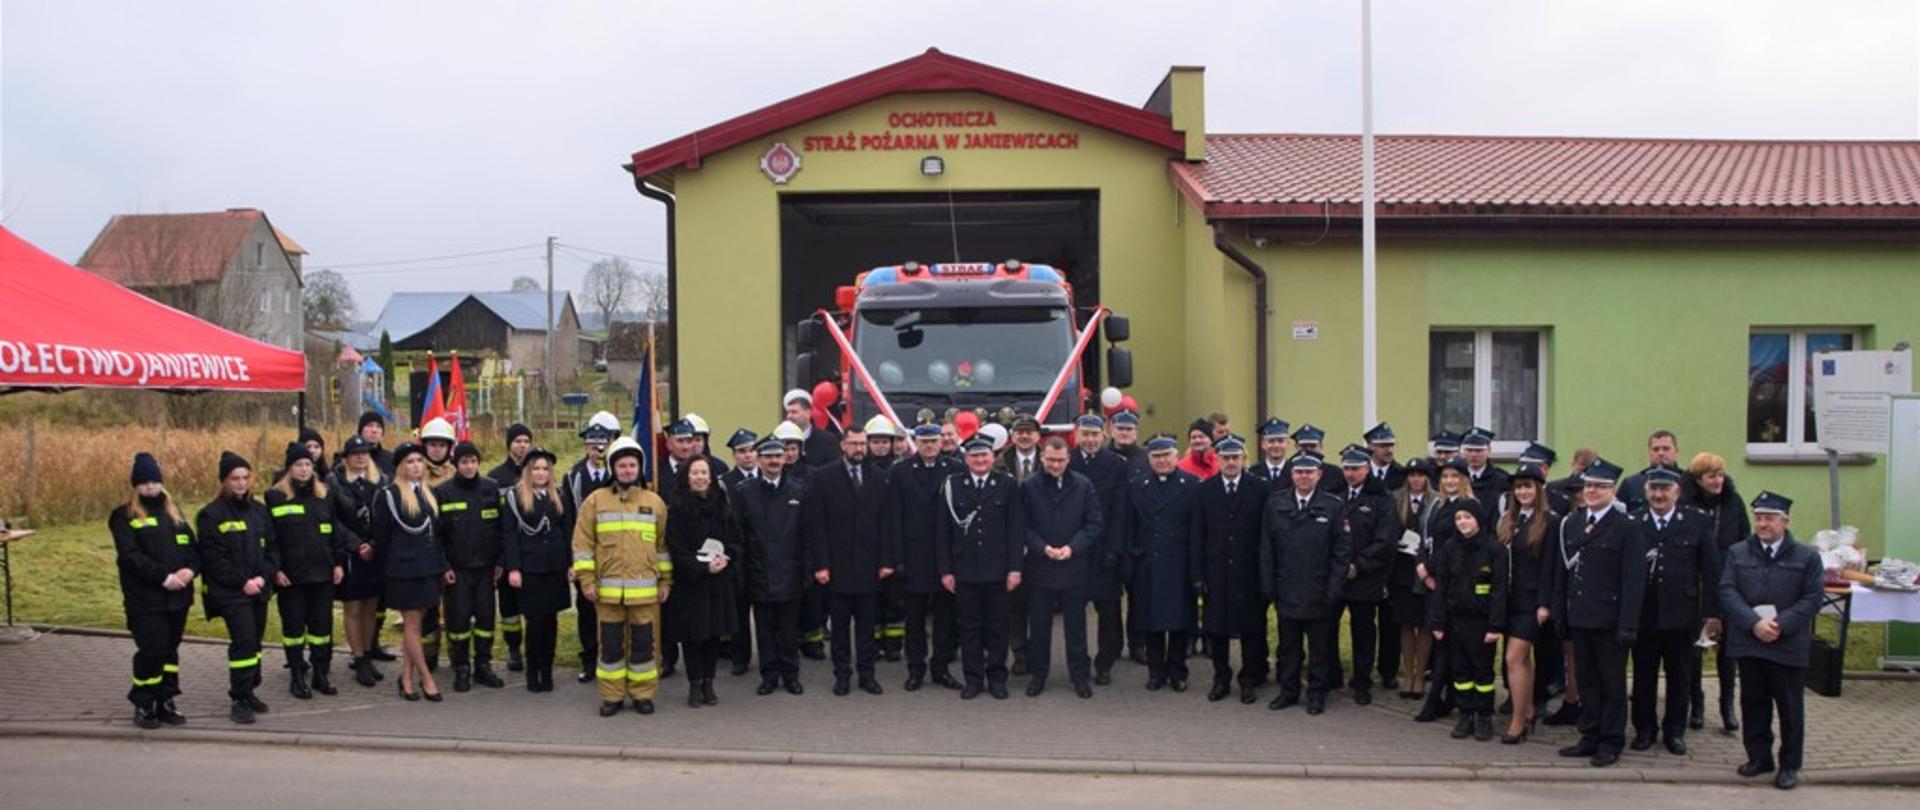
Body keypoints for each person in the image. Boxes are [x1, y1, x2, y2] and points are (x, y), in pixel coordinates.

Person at [1720, 491, 1823, 791]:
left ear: (1785, 522)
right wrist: (1754, 623)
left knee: (1790, 708)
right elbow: (1727, 590)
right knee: (1753, 703)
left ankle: (1789, 764)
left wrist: (1780, 625)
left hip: (1785, 643)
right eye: (1759, 518)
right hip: (1750, 640)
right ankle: (1759, 757)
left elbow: (1812, 598)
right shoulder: (1738, 552)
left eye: (1769, 518)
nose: (1762, 524)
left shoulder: (1806, 557)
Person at [1549, 458, 1648, 768]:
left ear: (1613, 491)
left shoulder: (1627, 526)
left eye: (1600, 487)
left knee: (1611, 683)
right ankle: (1589, 734)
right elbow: (1563, 574)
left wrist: (1628, 623)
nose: (1591, 491)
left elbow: (1634, 580)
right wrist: (1560, 613)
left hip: (1610, 619)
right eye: (1588, 486)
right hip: (1580, 616)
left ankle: (1611, 740)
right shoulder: (1573, 523)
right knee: (1586, 680)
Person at [575, 435, 672, 717]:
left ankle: (643, 695)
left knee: (644, 647)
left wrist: (666, 581)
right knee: (610, 647)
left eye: (632, 465)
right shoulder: (595, 502)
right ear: (612, 469)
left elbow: (663, 547)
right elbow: (582, 545)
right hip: (607, 593)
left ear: (639, 468)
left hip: (646, 593)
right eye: (622, 466)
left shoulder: (655, 503)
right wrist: (586, 581)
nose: (628, 470)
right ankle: (612, 697)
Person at [1629, 464, 1721, 756]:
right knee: (1643, 675)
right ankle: (1645, 729)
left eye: (1665, 489)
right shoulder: (1633, 521)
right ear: (1646, 491)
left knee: (1680, 677)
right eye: (1654, 489)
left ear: (1677, 491)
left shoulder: (1697, 521)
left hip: (1682, 614)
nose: (1659, 495)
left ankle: (1675, 731)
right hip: (1643, 614)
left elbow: (1711, 569)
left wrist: (1712, 612)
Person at [936, 436, 1026, 700]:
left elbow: (1016, 530)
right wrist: (946, 570)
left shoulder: (1007, 484)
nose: (980, 460)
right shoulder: (952, 485)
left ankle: (997, 678)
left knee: (998, 628)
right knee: (970, 628)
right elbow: (942, 532)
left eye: (984, 455)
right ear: (966, 459)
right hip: (964, 570)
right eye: (974, 456)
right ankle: (973, 679)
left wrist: (1015, 569)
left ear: (992, 457)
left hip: (998, 570)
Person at [807, 427, 894, 696]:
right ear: (842, 445)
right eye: (854, 443)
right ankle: (842, 675)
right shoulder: (824, 476)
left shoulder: (879, 477)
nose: (859, 449)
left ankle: (867, 675)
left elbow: (887, 524)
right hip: (837, 568)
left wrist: (886, 561)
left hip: (869, 567)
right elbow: (817, 525)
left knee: (867, 628)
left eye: (862, 444)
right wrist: (821, 565)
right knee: (840, 629)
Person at [111, 452, 196, 729]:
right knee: (153, 650)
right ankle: (144, 701)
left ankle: (166, 699)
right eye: (145, 482)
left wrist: (190, 570)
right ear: (136, 485)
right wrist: (163, 577)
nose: (150, 487)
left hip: (178, 597)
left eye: (155, 481)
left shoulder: (174, 513)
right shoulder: (123, 516)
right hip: (146, 599)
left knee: (170, 651)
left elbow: (193, 549)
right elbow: (131, 556)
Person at [1262, 453, 1351, 714]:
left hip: (1319, 589)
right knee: (1289, 647)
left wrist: (1334, 588)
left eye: (1309, 472)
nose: (1304, 476)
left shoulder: (1333, 506)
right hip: (1287, 586)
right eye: (1299, 472)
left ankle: (1316, 693)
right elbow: (1267, 549)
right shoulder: (1276, 504)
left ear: (1319, 475)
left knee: (1319, 648)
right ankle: (1288, 691)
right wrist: (1269, 585)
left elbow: (1341, 552)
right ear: (1292, 475)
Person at [195, 451, 277, 723]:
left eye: (245, 478)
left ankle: (250, 689)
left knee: (255, 642)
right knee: (243, 642)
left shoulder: (259, 511)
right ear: (224, 481)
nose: (241, 483)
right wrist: (243, 582)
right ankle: (239, 698)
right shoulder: (211, 515)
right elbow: (214, 559)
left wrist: (263, 577)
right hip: (232, 592)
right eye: (235, 479)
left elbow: (273, 549)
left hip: (259, 589)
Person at [265, 442, 348, 700]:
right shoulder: (275, 496)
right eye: (298, 465)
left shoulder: (324, 495)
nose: (303, 469)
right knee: (293, 628)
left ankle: (320, 673)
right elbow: (270, 538)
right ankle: (297, 675)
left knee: (321, 629)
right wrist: (276, 570)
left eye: (307, 465)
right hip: (291, 577)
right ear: (289, 468)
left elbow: (334, 531)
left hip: (322, 573)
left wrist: (338, 562)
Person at [1020, 437, 1101, 699]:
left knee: (1076, 628)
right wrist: (1042, 547)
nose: (1055, 465)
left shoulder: (1083, 485)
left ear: (1068, 459)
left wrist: (1073, 548)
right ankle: (1038, 676)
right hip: (1040, 567)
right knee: (1039, 628)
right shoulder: (1029, 486)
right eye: (1051, 460)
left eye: (1060, 460)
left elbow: (1093, 523)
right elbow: (1022, 526)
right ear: (1042, 458)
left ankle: (1079, 676)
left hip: (1074, 567)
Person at [1190, 436, 1267, 704]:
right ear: (1218, 460)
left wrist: (1265, 573)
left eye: (1235, 457)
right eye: (1226, 458)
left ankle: (1248, 680)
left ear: (1244, 459)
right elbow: (1197, 535)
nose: (1231, 462)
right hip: (1217, 572)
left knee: (1251, 630)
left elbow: (1266, 535)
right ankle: (1221, 678)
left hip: (1249, 573)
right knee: (1217, 629)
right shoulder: (1204, 491)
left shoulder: (1260, 489)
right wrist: (1198, 575)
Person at [374, 443, 452, 703]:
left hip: (428, 567)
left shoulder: (429, 493)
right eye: (410, 461)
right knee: (411, 624)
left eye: (419, 460)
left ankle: (406, 677)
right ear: (400, 466)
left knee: (416, 625)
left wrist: (442, 566)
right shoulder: (389, 495)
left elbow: (436, 535)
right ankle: (426, 678)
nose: (416, 466)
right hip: (404, 570)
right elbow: (382, 538)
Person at [1122, 435, 1199, 691]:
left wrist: (1196, 570)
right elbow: (1129, 527)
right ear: (1149, 459)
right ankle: (1156, 672)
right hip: (1148, 564)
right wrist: (1129, 564)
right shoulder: (1137, 486)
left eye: (1166, 455)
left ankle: (1178, 672)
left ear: (1176, 457)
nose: (1162, 461)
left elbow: (1197, 530)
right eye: (1156, 456)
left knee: (1179, 622)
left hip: (1179, 565)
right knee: (1151, 622)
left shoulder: (1191, 485)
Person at [735, 437, 810, 696]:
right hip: (758, 573)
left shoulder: (798, 490)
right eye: (768, 457)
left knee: (789, 631)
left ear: (785, 458)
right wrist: (743, 572)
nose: (774, 461)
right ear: (759, 459)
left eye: (778, 456)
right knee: (764, 631)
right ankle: (769, 676)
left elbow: (806, 535)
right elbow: (739, 536)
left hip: (790, 573)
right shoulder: (745, 492)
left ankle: (791, 676)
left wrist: (806, 571)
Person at [665, 456, 742, 708]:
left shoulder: (722, 503)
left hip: (718, 581)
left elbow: (736, 538)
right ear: (687, 477)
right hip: (691, 582)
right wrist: (702, 567)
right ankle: (694, 683)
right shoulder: (677, 507)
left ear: (711, 476)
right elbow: (675, 548)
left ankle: (709, 682)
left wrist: (727, 557)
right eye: (695, 473)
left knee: (713, 635)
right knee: (693, 637)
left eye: (704, 473)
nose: (700, 477)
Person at [891, 423, 963, 691]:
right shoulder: (900, 471)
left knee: (946, 618)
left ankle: (941, 668)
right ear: (917, 443)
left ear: (941, 442)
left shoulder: (955, 469)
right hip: (914, 557)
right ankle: (915, 669)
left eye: (934, 441)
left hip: (946, 558)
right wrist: (898, 558)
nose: (930, 446)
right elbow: (895, 518)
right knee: (914, 619)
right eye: (925, 442)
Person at [1429, 501, 1504, 742]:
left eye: (1467, 517)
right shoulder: (1449, 548)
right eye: (1458, 518)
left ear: (1479, 520)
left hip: (1482, 624)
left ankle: (1484, 716)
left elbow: (1500, 590)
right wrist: (1438, 622)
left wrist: (1495, 626)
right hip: (1455, 621)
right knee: (1460, 672)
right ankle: (1465, 714)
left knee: (1482, 672)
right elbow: (1441, 588)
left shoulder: (1493, 549)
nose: (1462, 522)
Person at [435, 441, 506, 692]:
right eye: (464, 462)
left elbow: (503, 529)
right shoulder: (443, 492)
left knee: (486, 620)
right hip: (458, 570)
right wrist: (444, 566)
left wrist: (501, 561)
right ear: (456, 464)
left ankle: (483, 666)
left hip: (486, 569)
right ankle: (461, 667)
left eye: (473, 461)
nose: (469, 466)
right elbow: (437, 535)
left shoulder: (491, 489)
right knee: (458, 621)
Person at [1495, 463, 1557, 743]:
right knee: (1523, 661)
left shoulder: (1550, 522)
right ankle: (1527, 708)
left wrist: (1544, 603)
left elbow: (1549, 566)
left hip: (1531, 602)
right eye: (1518, 487)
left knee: (1513, 659)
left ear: (1539, 489)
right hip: (1509, 599)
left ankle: (1518, 721)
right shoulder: (1509, 520)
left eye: (1528, 486)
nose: (1522, 492)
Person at [1413, 459, 1479, 723]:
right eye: (1445, 476)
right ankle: (1448, 697)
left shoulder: (1468, 506)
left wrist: (1429, 569)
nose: (1449, 481)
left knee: (1448, 645)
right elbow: (1425, 539)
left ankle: (1439, 700)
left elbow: (1458, 545)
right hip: (1434, 581)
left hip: (1453, 584)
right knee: (1442, 642)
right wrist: (1421, 565)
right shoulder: (1437, 505)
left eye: (1455, 476)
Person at [1689, 451, 1750, 733]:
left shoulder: (1733, 502)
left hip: (1727, 579)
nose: (1717, 481)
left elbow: (1745, 538)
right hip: (1696, 581)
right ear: (1698, 479)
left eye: (1721, 475)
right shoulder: (1688, 503)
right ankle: (1696, 703)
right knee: (1694, 648)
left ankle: (1727, 704)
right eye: (1711, 476)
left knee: (1728, 648)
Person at [1333, 446, 1399, 706]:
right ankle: (1331, 675)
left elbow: (1385, 540)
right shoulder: (1335, 494)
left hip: (1365, 577)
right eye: (1346, 468)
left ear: (1367, 468)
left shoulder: (1382, 498)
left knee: (1363, 633)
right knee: (1326, 628)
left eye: (1356, 469)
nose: (1350, 474)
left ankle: (1362, 682)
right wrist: (1339, 566)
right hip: (1336, 574)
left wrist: (1358, 565)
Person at [1069, 414, 1132, 686]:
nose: (1090, 439)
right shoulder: (1067, 460)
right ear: (1077, 435)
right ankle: (1079, 663)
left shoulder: (1117, 465)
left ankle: (1105, 663)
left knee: (1109, 614)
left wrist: (1115, 549)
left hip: (1106, 550)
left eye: (1094, 434)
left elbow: (1121, 511)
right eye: (1085, 434)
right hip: (1074, 550)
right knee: (1075, 614)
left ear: (1103, 436)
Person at [500, 446, 568, 693]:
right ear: (527, 471)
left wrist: (571, 563)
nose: (541, 473)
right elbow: (509, 536)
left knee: (551, 622)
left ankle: (547, 672)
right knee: (535, 622)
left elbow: (566, 529)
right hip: (530, 569)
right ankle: (533, 672)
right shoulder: (515, 497)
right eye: (536, 469)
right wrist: (513, 568)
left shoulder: (558, 495)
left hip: (555, 567)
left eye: (545, 469)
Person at [561, 411, 620, 682]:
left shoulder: (617, 473)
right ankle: (589, 659)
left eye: (602, 445)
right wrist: (572, 561)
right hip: (584, 555)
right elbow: (568, 521)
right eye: (593, 446)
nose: (598, 451)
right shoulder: (573, 476)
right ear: (585, 447)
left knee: (612, 610)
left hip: (613, 556)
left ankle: (612, 658)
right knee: (586, 611)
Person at [328, 436, 387, 687]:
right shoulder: (334, 482)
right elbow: (331, 518)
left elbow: (385, 514)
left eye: (365, 453)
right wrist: (356, 544)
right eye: (355, 453)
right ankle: (359, 657)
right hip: (349, 553)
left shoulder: (381, 480)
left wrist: (373, 543)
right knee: (353, 608)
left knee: (371, 607)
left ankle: (368, 653)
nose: (361, 457)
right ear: (346, 457)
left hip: (375, 552)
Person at [997, 415, 1042, 676]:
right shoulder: (1000, 463)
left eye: (1029, 432)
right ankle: (1020, 655)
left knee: (1039, 605)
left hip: (1041, 543)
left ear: (1038, 436)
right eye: (1019, 432)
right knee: (1014, 606)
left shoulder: (1049, 461)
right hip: (1009, 543)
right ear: (1012, 436)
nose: (1024, 436)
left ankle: (1037, 654)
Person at [486, 422, 532, 673]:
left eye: (526, 441)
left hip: (531, 551)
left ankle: (534, 647)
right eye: (518, 441)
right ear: (509, 445)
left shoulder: (537, 472)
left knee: (532, 604)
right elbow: (493, 520)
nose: (522, 446)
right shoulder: (495, 477)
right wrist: (499, 557)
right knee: (509, 607)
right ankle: (513, 648)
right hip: (505, 552)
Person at [862, 416, 908, 662]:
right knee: (870, 599)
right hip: (868, 543)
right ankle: (874, 643)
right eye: (875, 442)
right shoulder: (861, 470)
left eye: (884, 442)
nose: (880, 446)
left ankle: (893, 644)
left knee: (894, 600)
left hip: (894, 540)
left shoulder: (899, 470)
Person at [1388, 458, 1434, 699]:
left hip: (1426, 570)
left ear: (1427, 477)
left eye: (1420, 475)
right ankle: (1407, 674)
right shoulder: (1396, 498)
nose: (1416, 479)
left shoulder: (1436, 500)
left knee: (1424, 624)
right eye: (1412, 475)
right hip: (1402, 569)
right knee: (1405, 624)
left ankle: (1420, 674)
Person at [416, 417, 459, 671]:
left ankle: (457, 656)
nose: (436, 449)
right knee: (428, 611)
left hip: (453, 553)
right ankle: (428, 657)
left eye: (441, 445)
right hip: (426, 552)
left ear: (449, 447)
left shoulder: (458, 473)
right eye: (432, 444)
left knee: (455, 609)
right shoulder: (416, 472)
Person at [717, 428, 760, 675]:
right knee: (739, 611)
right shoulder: (724, 483)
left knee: (766, 612)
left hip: (763, 554)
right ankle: (740, 658)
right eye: (742, 451)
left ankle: (771, 657)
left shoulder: (767, 477)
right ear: (734, 455)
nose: (748, 455)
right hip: (737, 554)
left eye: (752, 450)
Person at [1621, 430, 1695, 511]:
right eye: (1656, 449)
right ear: (1649, 452)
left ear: (1676, 451)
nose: (1661, 453)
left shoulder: (1690, 482)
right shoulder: (1632, 484)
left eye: (1666, 449)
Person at [783, 388, 841, 467]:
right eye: (788, 412)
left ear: (808, 413)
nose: (789, 416)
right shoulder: (781, 439)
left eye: (794, 412)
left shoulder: (827, 440)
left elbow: (834, 469)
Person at [1460, 428, 1508, 508]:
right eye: (1469, 450)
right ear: (1463, 452)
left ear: (1489, 451)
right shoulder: (1458, 476)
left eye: (1479, 450)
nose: (1473, 455)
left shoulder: (1502, 480)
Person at [682, 412, 731, 476]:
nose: (693, 445)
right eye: (689, 440)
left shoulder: (719, 467)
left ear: (705, 442)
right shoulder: (673, 467)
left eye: (698, 440)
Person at [1363, 422, 1406, 491]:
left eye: (1392, 445)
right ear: (1371, 446)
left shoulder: (1402, 474)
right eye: (1383, 446)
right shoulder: (1361, 471)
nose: (1390, 450)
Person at [1250, 417, 1292, 488]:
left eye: (1280, 441)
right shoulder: (1253, 473)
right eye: (1271, 441)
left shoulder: (1295, 471)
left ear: (1288, 444)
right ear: (1263, 444)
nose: (1276, 445)